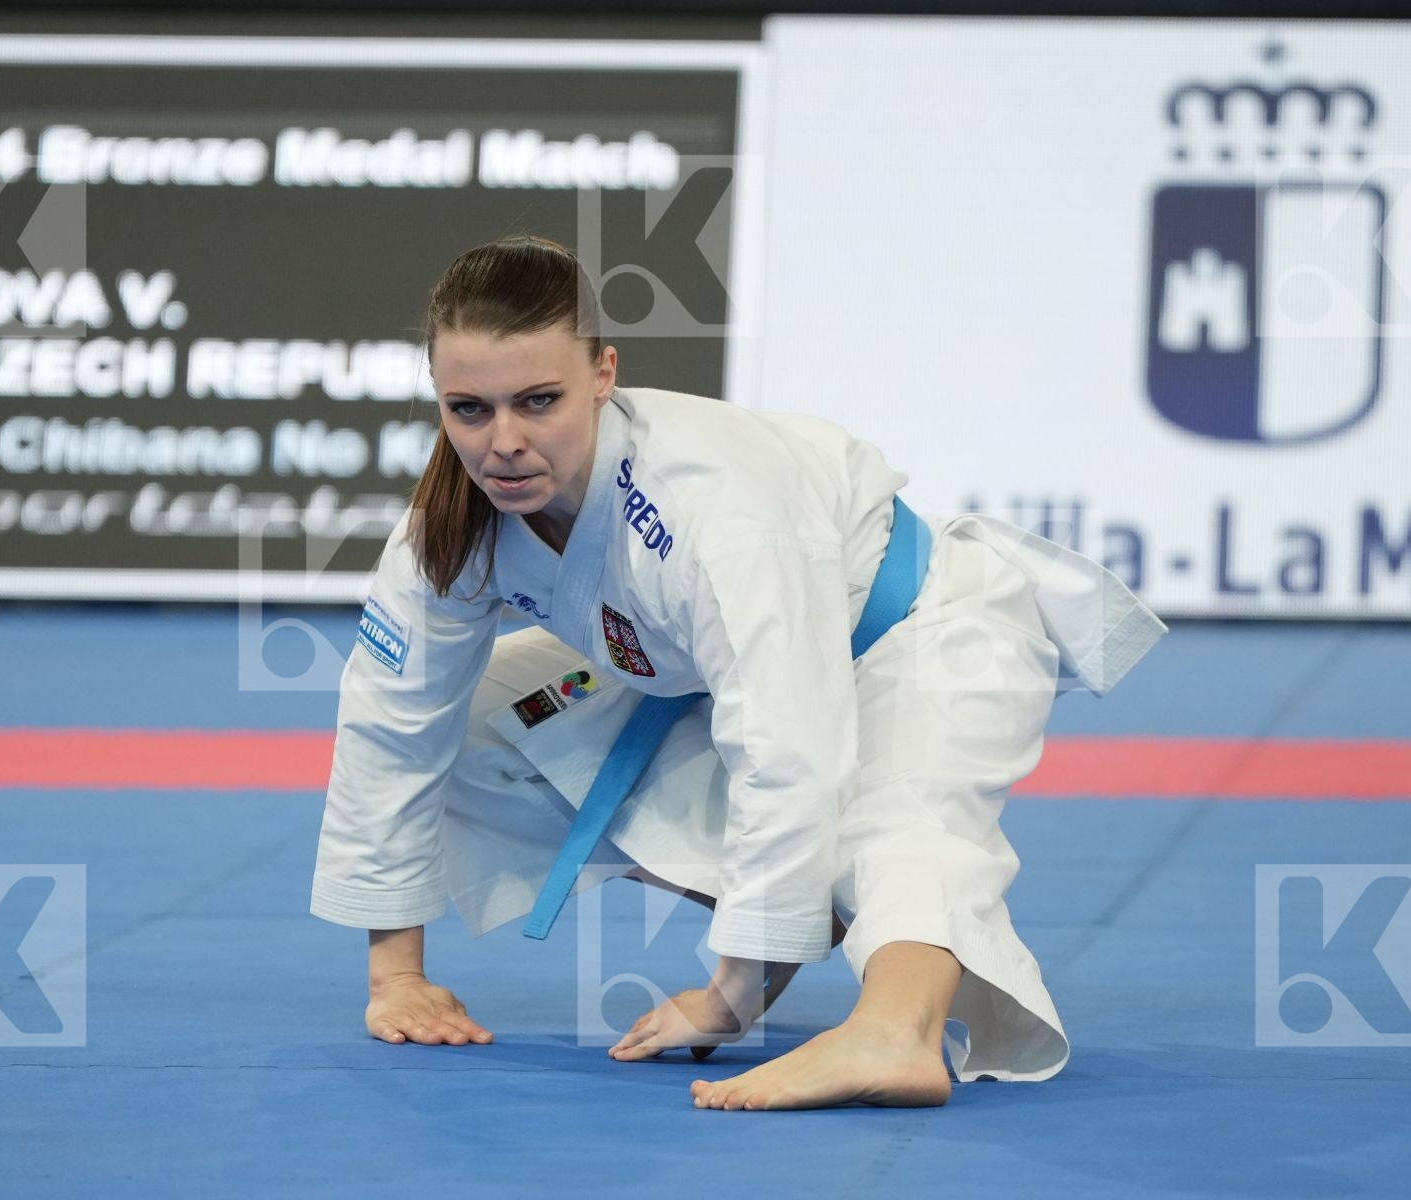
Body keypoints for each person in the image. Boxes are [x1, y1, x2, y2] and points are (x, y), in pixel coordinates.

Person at [310, 234, 1165, 1111]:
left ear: (604, 374)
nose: (504, 443)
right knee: (486, 723)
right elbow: (391, 718)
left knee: (902, 823)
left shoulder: (708, 506)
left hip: (923, 631)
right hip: (701, 677)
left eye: (539, 400)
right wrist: (397, 978)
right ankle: (809, 895)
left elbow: (784, 738)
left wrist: (734, 994)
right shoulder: (451, 526)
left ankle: (893, 1032)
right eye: (470, 410)